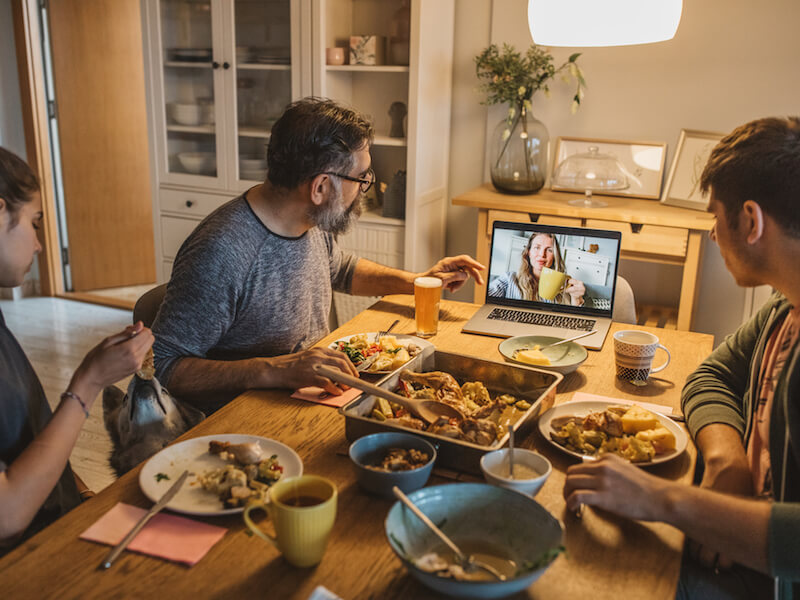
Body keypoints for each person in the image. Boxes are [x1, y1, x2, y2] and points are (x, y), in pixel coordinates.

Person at [563, 117, 800, 599]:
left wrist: (663, 498)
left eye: (716, 215)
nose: (714, 233)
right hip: (726, 534)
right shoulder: (785, 304)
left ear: (751, 221)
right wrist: (726, 460)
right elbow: (712, 373)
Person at [152, 98, 485, 414]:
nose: (366, 185)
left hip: (309, 397)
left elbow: (338, 268)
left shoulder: (309, 221)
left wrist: (416, 281)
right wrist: (273, 370)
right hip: (239, 422)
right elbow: (161, 365)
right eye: (362, 177)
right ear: (321, 187)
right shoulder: (223, 252)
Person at [0, 147, 153, 554]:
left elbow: (26, 439)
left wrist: (84, 498)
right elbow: (7, 513)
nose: (37, 245)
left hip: (61, 520)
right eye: (33, 224)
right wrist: (89, 381)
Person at [487, 231, 585, 305]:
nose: (542, 254)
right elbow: (485, 298)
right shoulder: (509, 279)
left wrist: (576, 299)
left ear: (555, 256)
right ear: (528, 252)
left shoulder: (564, 286)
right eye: (537, 247)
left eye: (549, 250)